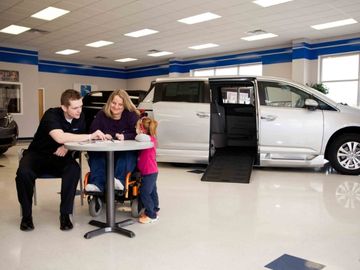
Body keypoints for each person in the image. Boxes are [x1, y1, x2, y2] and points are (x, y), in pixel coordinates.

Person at [15, 89, 107, 232]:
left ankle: (65, 214)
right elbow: (60, 137)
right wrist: (86, 136)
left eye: (81, 106)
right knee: (23, 173)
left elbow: (77, 138)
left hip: (60, 157)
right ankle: (26, 216)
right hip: (37, 155)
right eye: (75, 108)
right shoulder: (51, 115)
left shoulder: (81, 117)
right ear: (64, 107)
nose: (79, 111)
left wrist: (67, 147)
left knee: (73, 169)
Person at [85, 89, 140, 193]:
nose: (116, 107)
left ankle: (119, 182)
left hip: (124, 152)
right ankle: (97, 184)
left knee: (127, 154)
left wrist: (125, 136)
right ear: (109, 102)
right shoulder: (102, 114)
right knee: (96, 154)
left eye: (120, 104)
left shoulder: (131, 115)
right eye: (114, 103)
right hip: (105, 152)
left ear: (125, 105)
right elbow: (93, 131)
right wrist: (101, 135)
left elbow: (139, 133)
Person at [135, 117, 160, 224]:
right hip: (151, 171)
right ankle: (155, 208)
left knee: (145, 192)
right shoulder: (150, 138)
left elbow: (139, 137)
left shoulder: (149, 139)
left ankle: (152, 215)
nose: (134, 128)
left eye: (136, 127)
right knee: (153, 191)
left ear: (142, 129)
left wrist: (138, 133)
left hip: (149, 172)